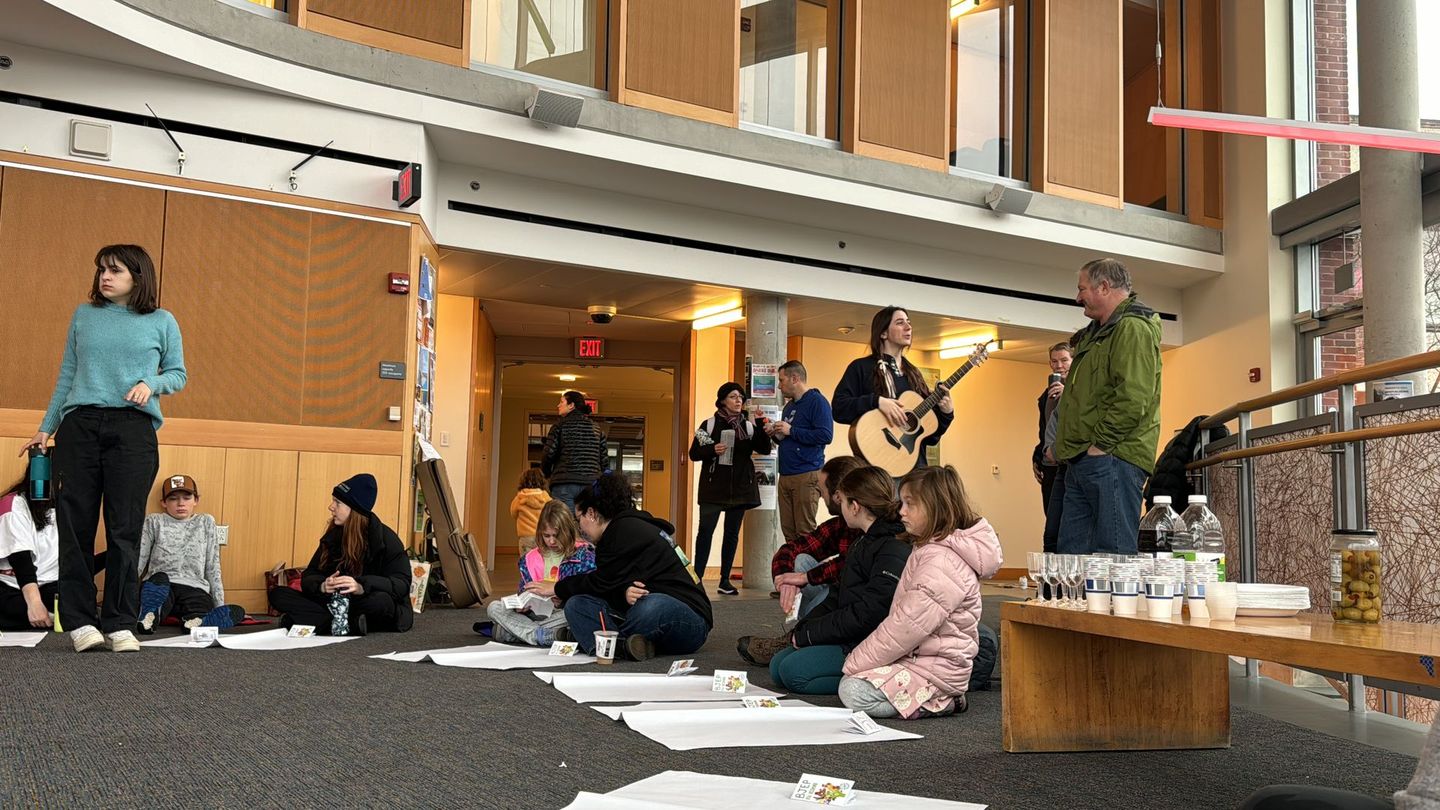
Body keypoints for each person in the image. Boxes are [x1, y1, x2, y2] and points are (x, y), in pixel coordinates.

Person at [21, 244, 186, 653]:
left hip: (133, 430)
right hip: (80, 427)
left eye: (114, 271)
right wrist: (46, 428)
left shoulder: (162, 321)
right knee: (74, 527)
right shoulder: (84, 316)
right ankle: (80, 622)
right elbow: (68, 375)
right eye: (101, 271)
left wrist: (153, 385)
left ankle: (119, 622)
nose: (104, 277)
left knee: (125, 529)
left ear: (138, 277)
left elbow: (178, 373)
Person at [838, 465, 1002, 719]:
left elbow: (906, 627)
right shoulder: (931, 547)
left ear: (935, 507)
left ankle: (944, 701)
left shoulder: (942, 561)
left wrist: (855, 661)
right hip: (919, 659)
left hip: (937, 670)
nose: (901, 512)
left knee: (853, 690)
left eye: (909, 504)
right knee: (854, 681)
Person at [768, 465, 912, 695]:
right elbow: (838, 595)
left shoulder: (891, 548)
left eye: (842, 501)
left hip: (869, 641)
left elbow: (869, 614)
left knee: (793, 673)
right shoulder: (863, 542)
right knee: (778, 667)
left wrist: (811, 635)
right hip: (851, 631)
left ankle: (880, 680)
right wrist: (804, 629)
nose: (838, 507)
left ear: (854, 507)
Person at [539, 473, 712, 662]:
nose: (580, 526)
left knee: (650, 606)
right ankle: (626, 645)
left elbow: (600, 582)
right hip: (647, 610)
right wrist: (623, 592)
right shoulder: (625, 529)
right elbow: (614, 583)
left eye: (578, 518)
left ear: (591, 513)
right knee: (577, 604)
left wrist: (558, 587)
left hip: (690, 622)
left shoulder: (622, 532)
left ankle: (603, 641)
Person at [1055, 258, 1162, 555]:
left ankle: (1117, 604)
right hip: (1084, 457)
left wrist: (1100, 446)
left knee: (1113, 554)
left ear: (1104, 286)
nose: (1078, 297)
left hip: (1113, 457)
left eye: (1082, 289)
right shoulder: (1096, 332)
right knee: (1071, 556)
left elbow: (1133, 396)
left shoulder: (1133, 328)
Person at [736, 454, 865, 666]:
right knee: (802, 558)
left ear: (839, 495)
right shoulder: (840, 525)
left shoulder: (879, 532)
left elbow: (850, 567)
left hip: (858, 611)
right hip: (840, 605)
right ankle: (802, 637)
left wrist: (805, 577)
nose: (820, 495)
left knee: (827, 589)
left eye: (822, 490)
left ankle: (797, 638)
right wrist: (785, 578)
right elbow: (793, 548)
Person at [268, 474, 413, 636]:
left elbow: (401, 584)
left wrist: (361, 586)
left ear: (354, 509)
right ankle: (348, 624)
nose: (331, 507)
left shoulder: (386, 539)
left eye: (337, 502)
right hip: (335, 602)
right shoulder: (333, 535)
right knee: (278, 594)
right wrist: (323, 585)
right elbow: (310, 574)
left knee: (381, 602)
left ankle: (314, 621)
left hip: (363, 601)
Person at [832, 306, 953, 472]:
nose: (908, 327)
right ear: (883, 333)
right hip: (875, 470)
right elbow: (839, 408)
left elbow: (929, 436)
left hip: (913, 469)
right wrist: (877, 402)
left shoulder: (914, 374)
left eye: (908, 323)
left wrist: (946, 414)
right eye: (900, 323)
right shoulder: (861, 367)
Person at [688, 382, 773, 596]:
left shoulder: (748, 426)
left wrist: (761, 424)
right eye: (734, 396)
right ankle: (697, 578)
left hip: (741, 488)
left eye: (741, 398)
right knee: (705, 533)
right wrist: (712, 449)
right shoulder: (708, 425)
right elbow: (694, 453)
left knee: (731, 534)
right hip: (713, 488)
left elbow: (764, 448)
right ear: (723, 400)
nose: (738, 401)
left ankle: (724, 580)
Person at [135, 474, 244, 633]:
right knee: (158, 585)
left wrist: (219, 605)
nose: (181, 503)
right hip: (163, 584)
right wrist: (122, 599)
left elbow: (212, 566)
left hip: (194, 586)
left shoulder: (205, 522)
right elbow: (139, 560)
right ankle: (150, 616)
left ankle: (195, 622)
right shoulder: (154, 521)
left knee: (201, 604)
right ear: (163, 503)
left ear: (196, 500)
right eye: (173, 498)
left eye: (187, 497)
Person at [485, 499, 595, 646]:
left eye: (556, 535)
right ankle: (541, 635)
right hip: (533, 615)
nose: (551, 541)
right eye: (546, 536)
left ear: (568, 531)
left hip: (562, 614)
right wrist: (521, 606)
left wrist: (562, 597)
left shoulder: (583, 555)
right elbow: (523, 591)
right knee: (494, 607)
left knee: (578, 612)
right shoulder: (530, 558)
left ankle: (515, 633)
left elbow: (590, 593)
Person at [768, 360, 833, 547]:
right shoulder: (789, 407)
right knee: (789, 533)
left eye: (781, 380)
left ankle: (807, 575)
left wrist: (791, 431)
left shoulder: (817, 402)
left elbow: (825, 435)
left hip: (807, 474)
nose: (779, 386)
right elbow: (788, 435)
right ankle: (791, 572)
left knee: (805, 533)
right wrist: (776, 434)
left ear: (795, 378)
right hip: (786, 474)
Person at [0, 476, 59, 631]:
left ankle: (48, 616)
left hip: (51, 585)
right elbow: (21, 559)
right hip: (12, 584)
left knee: (77, 600)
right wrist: (34, 603)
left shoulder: (70, 507)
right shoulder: (13, 504)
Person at [541, 391, 606, 511]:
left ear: (571, 405)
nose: (558, 405)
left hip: (564, 483)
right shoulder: (596, 428)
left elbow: (548, 454)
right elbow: (604, 460)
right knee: (588, 526)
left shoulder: (559, 426)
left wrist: (547, 474)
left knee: (565, 524)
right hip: (591, 483)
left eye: (561, 402)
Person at [1031, 342, 1072, 516]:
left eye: (1064, 360)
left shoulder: (1080, 393)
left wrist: (1069, 394)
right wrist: (1038, 454)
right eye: (1054, 361)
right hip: (1049, 467)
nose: (1059, 366)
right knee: (1051, 521)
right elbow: (1045, 431)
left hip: (1068, 464)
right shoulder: (1045, 396)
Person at [509, 467, 552, 552]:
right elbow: (552, 514)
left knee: (525, 562)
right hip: (542, 536)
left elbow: (513, 513)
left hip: (526, 537)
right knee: (541, 561)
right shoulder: (546, 498)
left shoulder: (519, 498)